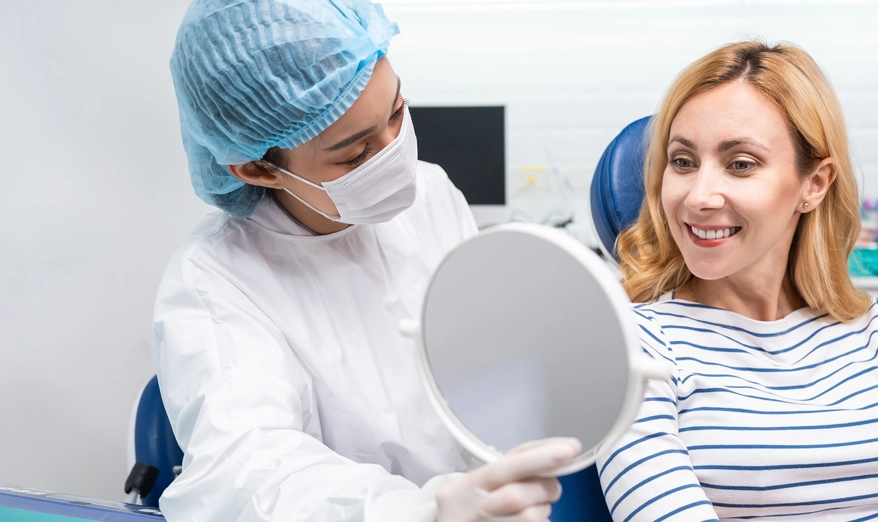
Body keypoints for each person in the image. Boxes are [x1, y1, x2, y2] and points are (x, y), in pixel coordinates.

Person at [153, 1, 578, 520]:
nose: (396, 154)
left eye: (397, 112)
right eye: (355, 155)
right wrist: (420, 512)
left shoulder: (432, 194)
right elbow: (249, 475)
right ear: (258, 169)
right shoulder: (216, 284)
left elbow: (485, 359)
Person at [596, 41, 878, 522]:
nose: (699, 197)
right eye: (683, 162)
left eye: (741, 164)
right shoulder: (631, 349)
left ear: (814, 184)